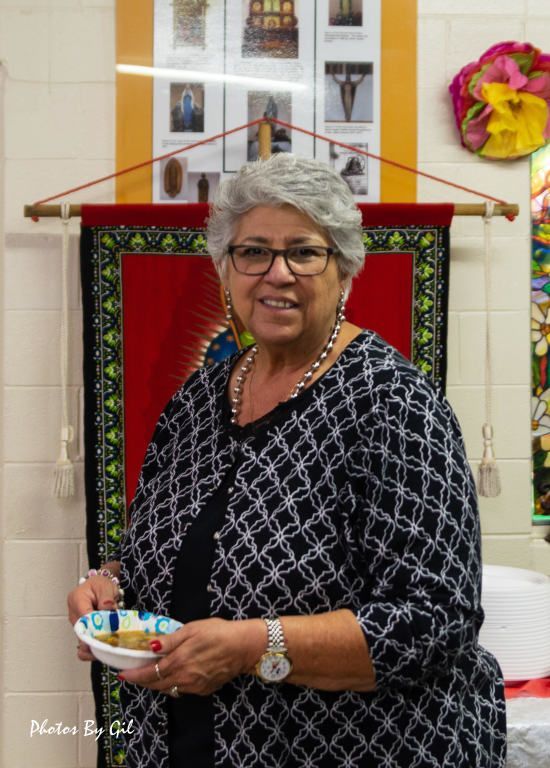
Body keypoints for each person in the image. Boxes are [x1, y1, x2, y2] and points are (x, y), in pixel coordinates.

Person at [68, 153, 507, 768]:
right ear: (226, 267)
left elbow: (437, 621)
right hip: (183, 740)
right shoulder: (198, 399)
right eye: (253, 252)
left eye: (303, 252)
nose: (277, 273)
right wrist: (111, 585)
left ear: (344, 269)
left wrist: (253, 646)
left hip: (356, 748)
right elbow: (173, 547)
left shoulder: (394, 404)